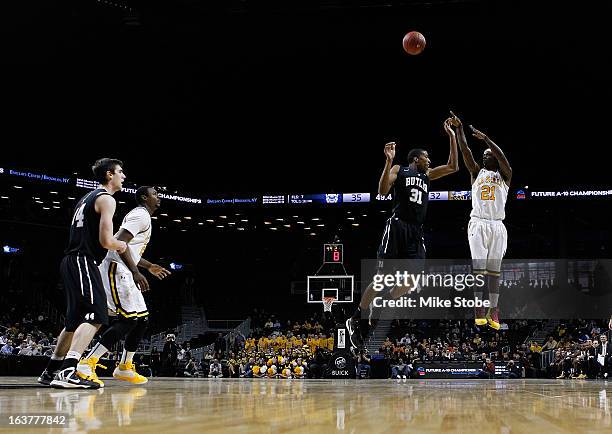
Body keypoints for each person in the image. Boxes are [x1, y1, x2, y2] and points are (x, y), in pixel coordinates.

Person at [346, 118, 459, 349]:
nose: (430, 160)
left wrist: (452, 136)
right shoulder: (401, 169)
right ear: (417, 159)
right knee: (382, 279)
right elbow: (382, 190)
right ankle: (356, 318)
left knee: (412, 279)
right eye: (427, 157)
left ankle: (382, 304)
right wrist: (388, 162)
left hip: (415, 232)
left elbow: (453, 167)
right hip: (397, 227)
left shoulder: (427, 176)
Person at [38, 158, 128, 389]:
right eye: (120, 172)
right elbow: (106, 241)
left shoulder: (86, 198)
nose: (123, 176)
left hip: (70, 260)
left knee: (73, 321)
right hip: (83, 260)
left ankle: (51, 371)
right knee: (98, 315)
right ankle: (69, 371)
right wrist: (122, 245)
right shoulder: (107, 199)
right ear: (110, 175)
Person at [77, 186, 171, 386]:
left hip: (124, 268)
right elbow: (119, 243)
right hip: (116, 268)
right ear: (144, 198)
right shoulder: (141, 215)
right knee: (128, 320)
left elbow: (130, 248)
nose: (158, 196)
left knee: (142, 319)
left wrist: (148, 266)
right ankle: (87, 363)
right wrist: (137, 272)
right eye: (154, 194)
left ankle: (125, 366)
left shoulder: (142, 216)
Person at [451, 112, 511, 331]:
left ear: (494, 157)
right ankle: (478, 307)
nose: (485, 157)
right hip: (478, 223)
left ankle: (493, 309)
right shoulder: (476, 173)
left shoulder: (505, 175)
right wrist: (459, 130)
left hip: (498, 225)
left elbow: (503, 157)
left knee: (494, 271)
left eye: (488, 155)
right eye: (484, 155)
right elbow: (466, 151)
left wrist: (486, 140)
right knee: (479, 269)